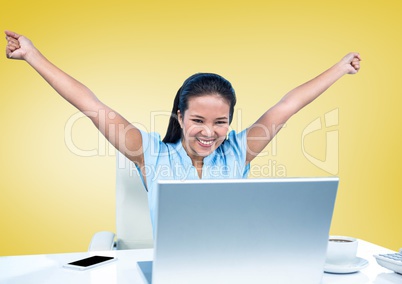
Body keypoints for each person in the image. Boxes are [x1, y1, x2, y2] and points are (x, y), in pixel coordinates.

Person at [4, 30, 361, 228]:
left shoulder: (239, 150)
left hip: (238, 265)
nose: (209, 132)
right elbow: (91, 105)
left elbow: (288, 106)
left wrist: (339, 68)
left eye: (220, 122)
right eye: (198, 120)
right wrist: (33, 56)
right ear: (179, 117)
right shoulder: (149, 152)